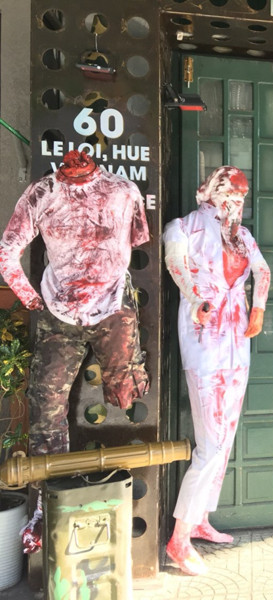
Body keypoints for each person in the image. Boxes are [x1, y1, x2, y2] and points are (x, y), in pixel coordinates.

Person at [0, 149, 150, 553]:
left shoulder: (125, 191)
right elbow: (6, 251)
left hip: (113, 306)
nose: (75, 160)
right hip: (58, 309)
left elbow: (136, 239)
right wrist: (30, 298)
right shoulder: (42, 192)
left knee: (126, 395)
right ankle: (45, 506)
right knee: (45, 403)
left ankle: (113, 494)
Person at [163, 165, 270, 576]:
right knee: (210, 442)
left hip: (237, 344)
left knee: (226, 437)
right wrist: (195, 298)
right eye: (228, 194)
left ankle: (202, 517)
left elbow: (262, 270)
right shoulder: (183, 228)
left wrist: (258, 308)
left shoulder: (241, 235)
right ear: (207, 191)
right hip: (204, 343)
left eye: (240, 197)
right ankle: (179, 538)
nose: (234, 203)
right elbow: (175, 265)